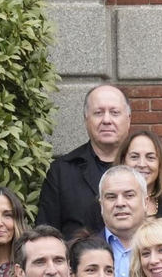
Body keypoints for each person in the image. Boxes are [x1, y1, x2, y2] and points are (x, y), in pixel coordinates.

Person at [38, 84, 130, 238]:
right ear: (86, 120)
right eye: (98, 113)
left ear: (128, 120)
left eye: (114, 112)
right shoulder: (62, 171)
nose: (107, 120)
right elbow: (46, 233)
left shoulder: (145, 167)